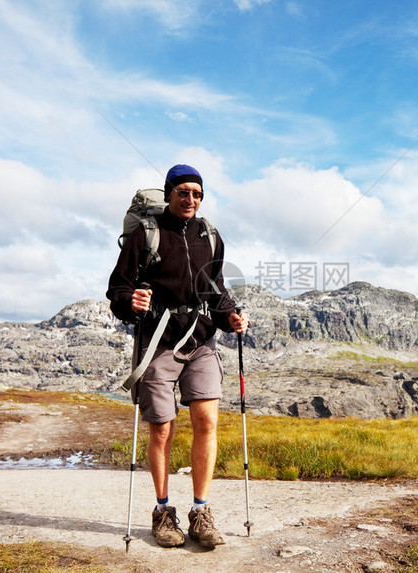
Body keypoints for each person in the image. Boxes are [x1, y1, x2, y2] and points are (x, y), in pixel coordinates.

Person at [107, 164, 249, 549]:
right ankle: (163, 511)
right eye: (184, 192)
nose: (191, 200)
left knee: (206, 420)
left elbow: (215, 289)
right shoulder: (145, 235)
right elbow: (117, 289)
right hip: (158, 344)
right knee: (162, 428)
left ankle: (201, 512)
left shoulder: (210, 236)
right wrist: (129, 302)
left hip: (201, 341)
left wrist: (231, 314)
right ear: (169, 193)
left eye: (197, 194)